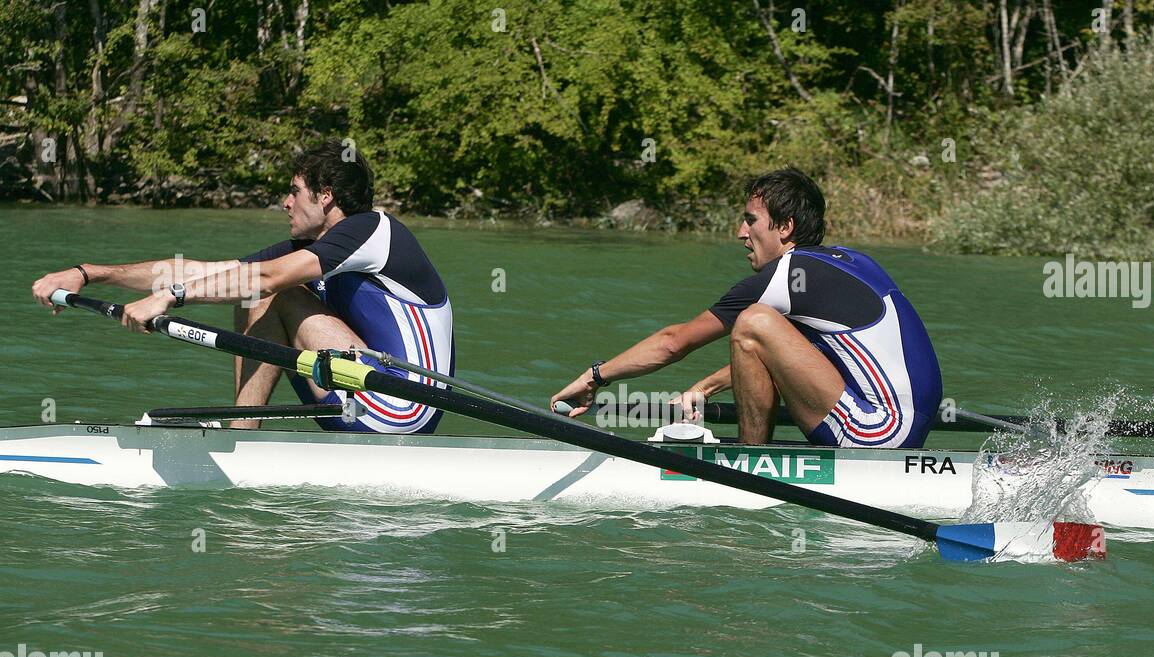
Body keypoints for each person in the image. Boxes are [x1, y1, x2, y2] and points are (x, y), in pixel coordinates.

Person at [31, 140, 454, 434]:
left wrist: (168, 299)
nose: (285, 203)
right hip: (352, 397)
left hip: (402, 406)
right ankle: (242, 435)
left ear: (325, 196)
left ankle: (242, 435)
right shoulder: (307, 249)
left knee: (268, 288)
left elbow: (266, 279)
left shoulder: (374, 231)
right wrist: (88, 273)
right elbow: (199, 271)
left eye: (294, 192)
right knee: (245, 284)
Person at [550, 167, 942, 447]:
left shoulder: (787, 275)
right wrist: (704, 389)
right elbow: (781, 355)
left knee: (753, 321)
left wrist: (596, 376)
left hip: (879, 433)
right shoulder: (849, 261)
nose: (741, 232)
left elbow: (674, 342)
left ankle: (750, 458)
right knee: (759, 329)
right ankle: (753, 451)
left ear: (784, 227)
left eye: (750, 220)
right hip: (904, 427)